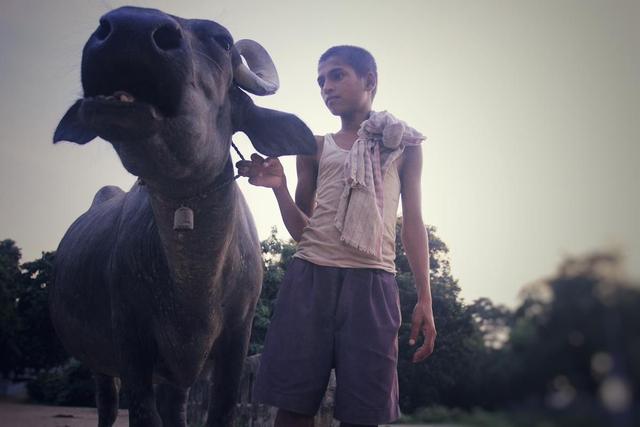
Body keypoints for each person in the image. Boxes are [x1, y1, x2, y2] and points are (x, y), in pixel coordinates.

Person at [237, 45, 436, 427]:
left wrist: (425, 298)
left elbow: (412, 222)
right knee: (293, 408)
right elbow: (302, 231)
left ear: (370, 81)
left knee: (364, 413)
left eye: (337, 75)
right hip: (310, 278)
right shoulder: (311, 147)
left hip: (374, 284)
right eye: (321, 80)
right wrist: (278, 188)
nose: (326, 86)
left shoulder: (403, 145)